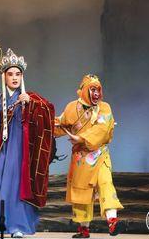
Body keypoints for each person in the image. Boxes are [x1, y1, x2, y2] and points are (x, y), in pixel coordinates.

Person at [0, 49, 55, 238]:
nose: (15, 78)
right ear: (4, 77)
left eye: (18, 74)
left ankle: (17, 225)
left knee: (17, 184)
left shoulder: (29, 97)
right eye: (10, 74)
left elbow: (48, 110)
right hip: (3, 147)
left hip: (22, 149)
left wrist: (32, 104)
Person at [54, 74, 123, 238]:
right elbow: (60, 124)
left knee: (106, 183)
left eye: (98, 89)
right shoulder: (72, 108)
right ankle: (83, 229)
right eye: (93, 89)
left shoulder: (104, 107)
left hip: (99, 154)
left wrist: (81, 138)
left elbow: (102, 129)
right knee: (81, 192)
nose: (97, 93)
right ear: (84, 90)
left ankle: (112, 220)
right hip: (80, 157)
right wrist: (43, 122)